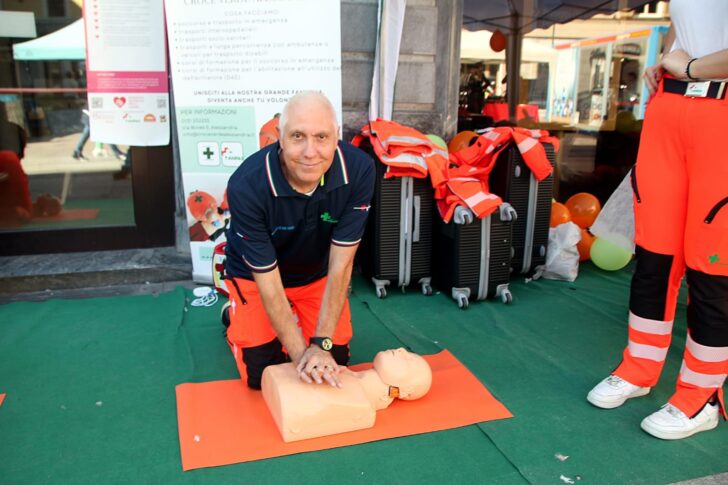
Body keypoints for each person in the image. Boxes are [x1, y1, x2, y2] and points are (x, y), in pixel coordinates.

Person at [587, 0, 728, 440]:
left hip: (719, 113)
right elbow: (686, 21)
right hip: (670, 108)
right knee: (655, 256)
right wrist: (666, 60)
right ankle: (639, 368)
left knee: (713, 266)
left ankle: (700, 396)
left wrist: (691, 68)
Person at [224, 91, 375, 390]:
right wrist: (302, 356)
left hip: (314, 275)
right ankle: (232, 315)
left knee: (338, 359)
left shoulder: (359, 170)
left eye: (321, 137)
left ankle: (299, 322)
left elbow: (341, 267)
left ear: (336, 137)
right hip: (256, 278)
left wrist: (320, 344)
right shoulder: (246, 185)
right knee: (262, 375)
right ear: (280, 137)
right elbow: (268, 281)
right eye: (297, 136)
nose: (310, 151)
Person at [261, 347, 432, 442]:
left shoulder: (360, 405)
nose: (402, 349)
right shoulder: (347, 375)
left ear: (405, 391)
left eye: (409, 360)